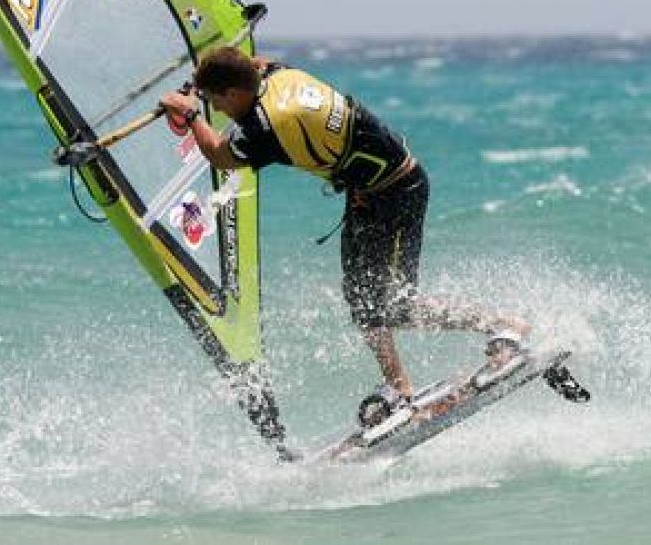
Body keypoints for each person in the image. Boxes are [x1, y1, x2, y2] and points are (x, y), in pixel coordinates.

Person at [159, 46, 527, 420]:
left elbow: (220, 156)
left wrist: (189, 113)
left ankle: (503, 325)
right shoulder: (279, 75)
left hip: (398, 194)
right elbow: (255, 62)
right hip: (368, 196)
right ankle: (399, 388)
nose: (219, 112)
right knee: (363, 302)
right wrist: (204, 80)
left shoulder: (266, 126)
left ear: (235, 93)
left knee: (397, 305)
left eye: (218, 104)